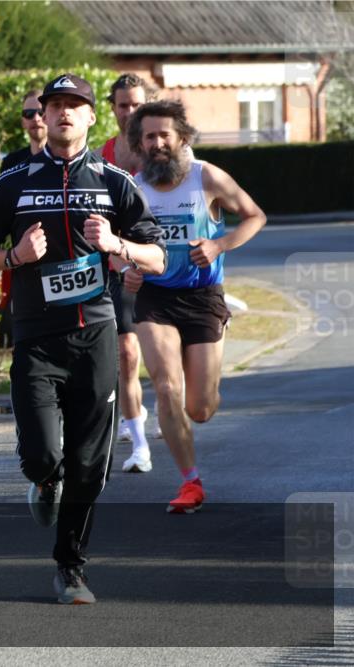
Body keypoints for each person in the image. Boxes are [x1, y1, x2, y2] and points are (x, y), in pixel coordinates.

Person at [0, 73, 166, 604]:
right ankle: (42, 479)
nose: (63, 113)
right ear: (45, 114)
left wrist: (118, 243)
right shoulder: (14, 180)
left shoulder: (112, 182)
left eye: (74, 105)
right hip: (35, 337)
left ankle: (70, 568)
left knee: (88, 463)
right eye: (55, 105)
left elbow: (158, 256)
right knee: (43, 455)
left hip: (95, 335)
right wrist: (15, 257)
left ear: (90, 117)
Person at [122, 100, 266, 514]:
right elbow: (115, 246)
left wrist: (219, 243)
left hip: (203, 297)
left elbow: (255, 216)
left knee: (200, 408)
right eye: (149, 136)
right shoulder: (134, 188)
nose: (157, 143)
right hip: (155, 298)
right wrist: (127, 268)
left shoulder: (207, 177)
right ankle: (190, 483)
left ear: (181, 137)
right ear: (139, 143)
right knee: (166, 388)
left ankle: (197, 393)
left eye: (165, 134)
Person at [96, 74, 154, 472]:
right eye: (122, 105)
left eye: (136, 105)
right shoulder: (102, 156)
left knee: (173, 369)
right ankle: (139, 445)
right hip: (121, 267)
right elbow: (102, 221)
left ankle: (163, 400)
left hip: (164, 267)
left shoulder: (161, 150)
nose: (129, 112)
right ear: (112, 108)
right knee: (127, 352)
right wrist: (122, 262)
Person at [0, 89, 48, 348]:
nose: (36, 118)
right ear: (23, 121)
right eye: (29, 114)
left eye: (40, 112)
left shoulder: (65, 159)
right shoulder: (12, 163)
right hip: (23, 258)